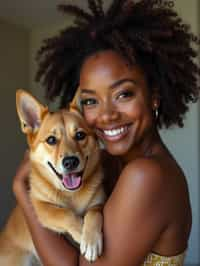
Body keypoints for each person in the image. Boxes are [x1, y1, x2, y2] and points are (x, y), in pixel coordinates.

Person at [13, 0, 200, 265]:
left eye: (123, 94)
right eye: (91, 101)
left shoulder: (145, 176)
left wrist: (21, 189)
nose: (106, 115)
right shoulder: (113, 164)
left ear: (154, 97)